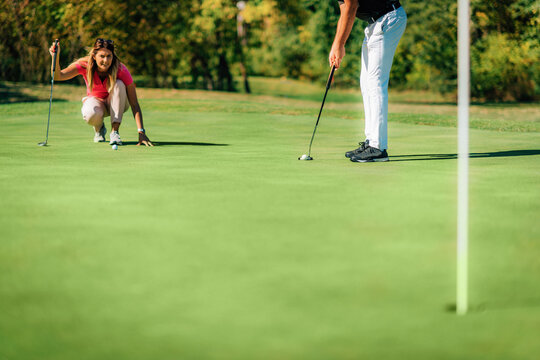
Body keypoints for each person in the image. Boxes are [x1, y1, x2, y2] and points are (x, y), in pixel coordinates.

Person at [329, 0, 406, 162]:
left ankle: (378, 148)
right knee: (366, 83)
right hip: (375, 23)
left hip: (387, 18)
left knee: (375, 83)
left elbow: (351, 6)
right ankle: (371, 141)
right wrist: (336, 45)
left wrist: (339, 44)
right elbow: (345, 11)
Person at [48, 38, 153, 146]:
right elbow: (58, 76)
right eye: (102, 56)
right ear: (94, 56)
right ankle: (99, 129)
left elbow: (134, 103)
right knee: (90, 113)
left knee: (119, 85)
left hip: (118, 103)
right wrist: (55, 58)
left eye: (109, 56)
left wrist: (141, 132)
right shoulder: (84, 65)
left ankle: (114, 132)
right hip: (97, 104)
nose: (106, 60)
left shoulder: (120, 69)